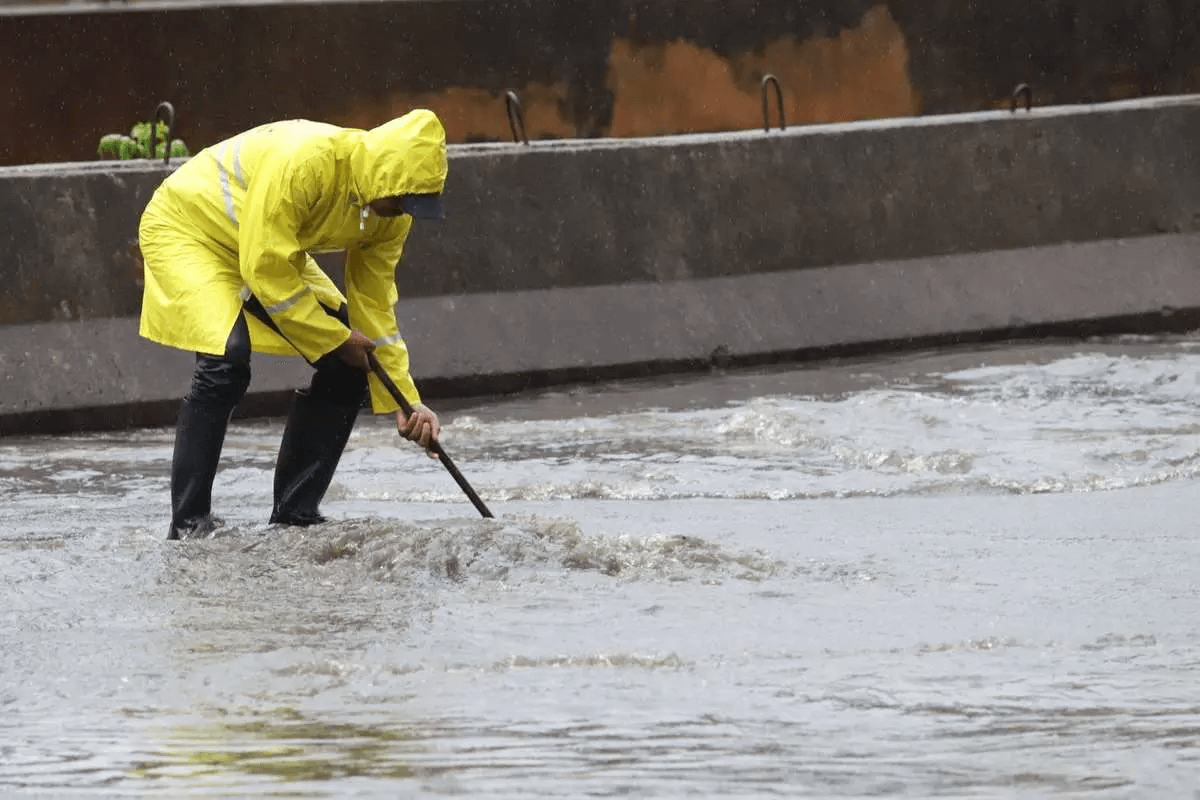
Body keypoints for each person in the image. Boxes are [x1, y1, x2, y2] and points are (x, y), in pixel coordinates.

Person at [138, 109, 447, 540]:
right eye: (401, 201)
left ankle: (295, 516)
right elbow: (265, 269)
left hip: (262, 246)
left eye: (414, 206)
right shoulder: (307, 163)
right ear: (383, 176)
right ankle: (189, 524)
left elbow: (374, 307)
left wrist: (406, 400)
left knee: (353, 364)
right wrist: (337, 338)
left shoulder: (389, 214)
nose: (401, 213)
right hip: (190, 230)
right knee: (225, 361)